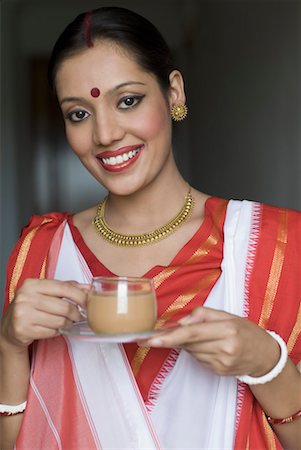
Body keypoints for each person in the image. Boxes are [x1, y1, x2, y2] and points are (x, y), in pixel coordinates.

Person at [0, 6, 300, 450]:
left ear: (173, 93)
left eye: (127, 101)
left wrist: (268, 365)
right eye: (78, 114)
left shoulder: (275, 246)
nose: (105, 134)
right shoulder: (43, 252)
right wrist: (8, 346)